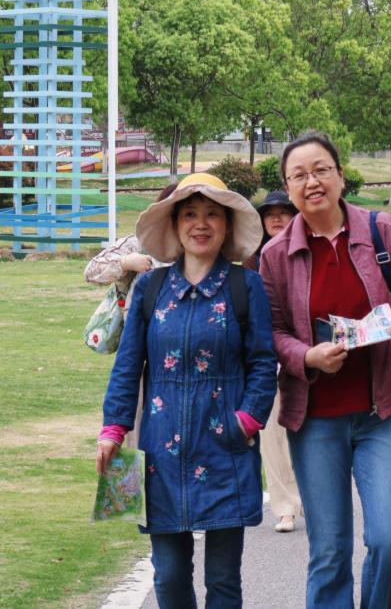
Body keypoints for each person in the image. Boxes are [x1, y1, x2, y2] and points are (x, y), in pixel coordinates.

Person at [259, 131, 391, 609]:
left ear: (341, 176)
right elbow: (271, 331)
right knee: (329, 552)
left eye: (321, 170)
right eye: (299, 175)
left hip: (383, 412)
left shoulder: (384, 231)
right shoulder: (275, 256)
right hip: (315, 418)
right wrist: (306, 356)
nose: (312, 182)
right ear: (288, 187)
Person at [96, 173, 275, 609]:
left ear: (227, 226)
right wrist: (113, 429)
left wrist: (246, 420)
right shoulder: (150, 288)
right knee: (170, 575)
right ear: (175, 226)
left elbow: (263, 362)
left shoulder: (245, 286)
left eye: (212, 214)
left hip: (225, 448)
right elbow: (128, 365)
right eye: (190, 214)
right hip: (160, 453)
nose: (201, 223)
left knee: (223, 581)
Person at [85, 183, 178, 448]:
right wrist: (125, 263)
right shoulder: (139, 244)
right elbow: (91, 271)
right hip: (138, 346)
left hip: (182, 351)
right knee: (135, 425)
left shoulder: (199, 248)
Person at [243, 190, 303, 534]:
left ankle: (311, 497)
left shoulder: (307, 253)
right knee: (271, 435)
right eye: (270, 214)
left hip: (307, 356)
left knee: (308, 432)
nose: (277, 218)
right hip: (267, 359)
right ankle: (284, 508)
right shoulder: (251, 260)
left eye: (284, 212)